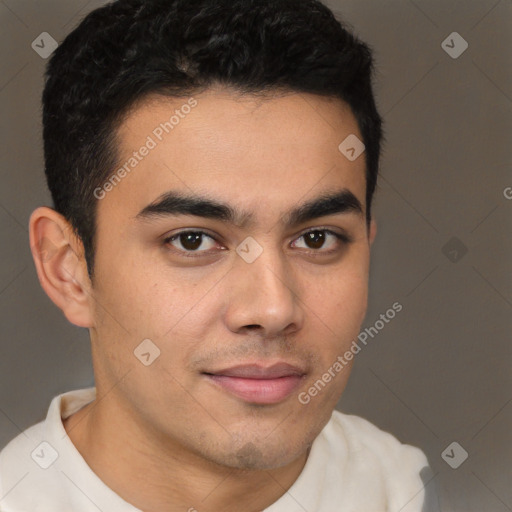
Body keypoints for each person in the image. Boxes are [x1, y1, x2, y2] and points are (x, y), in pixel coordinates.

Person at [0, 0, 436, 510]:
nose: (272, 310)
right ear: (69, 271)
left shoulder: (406, 488)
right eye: (193, 240)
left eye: (316, 238)